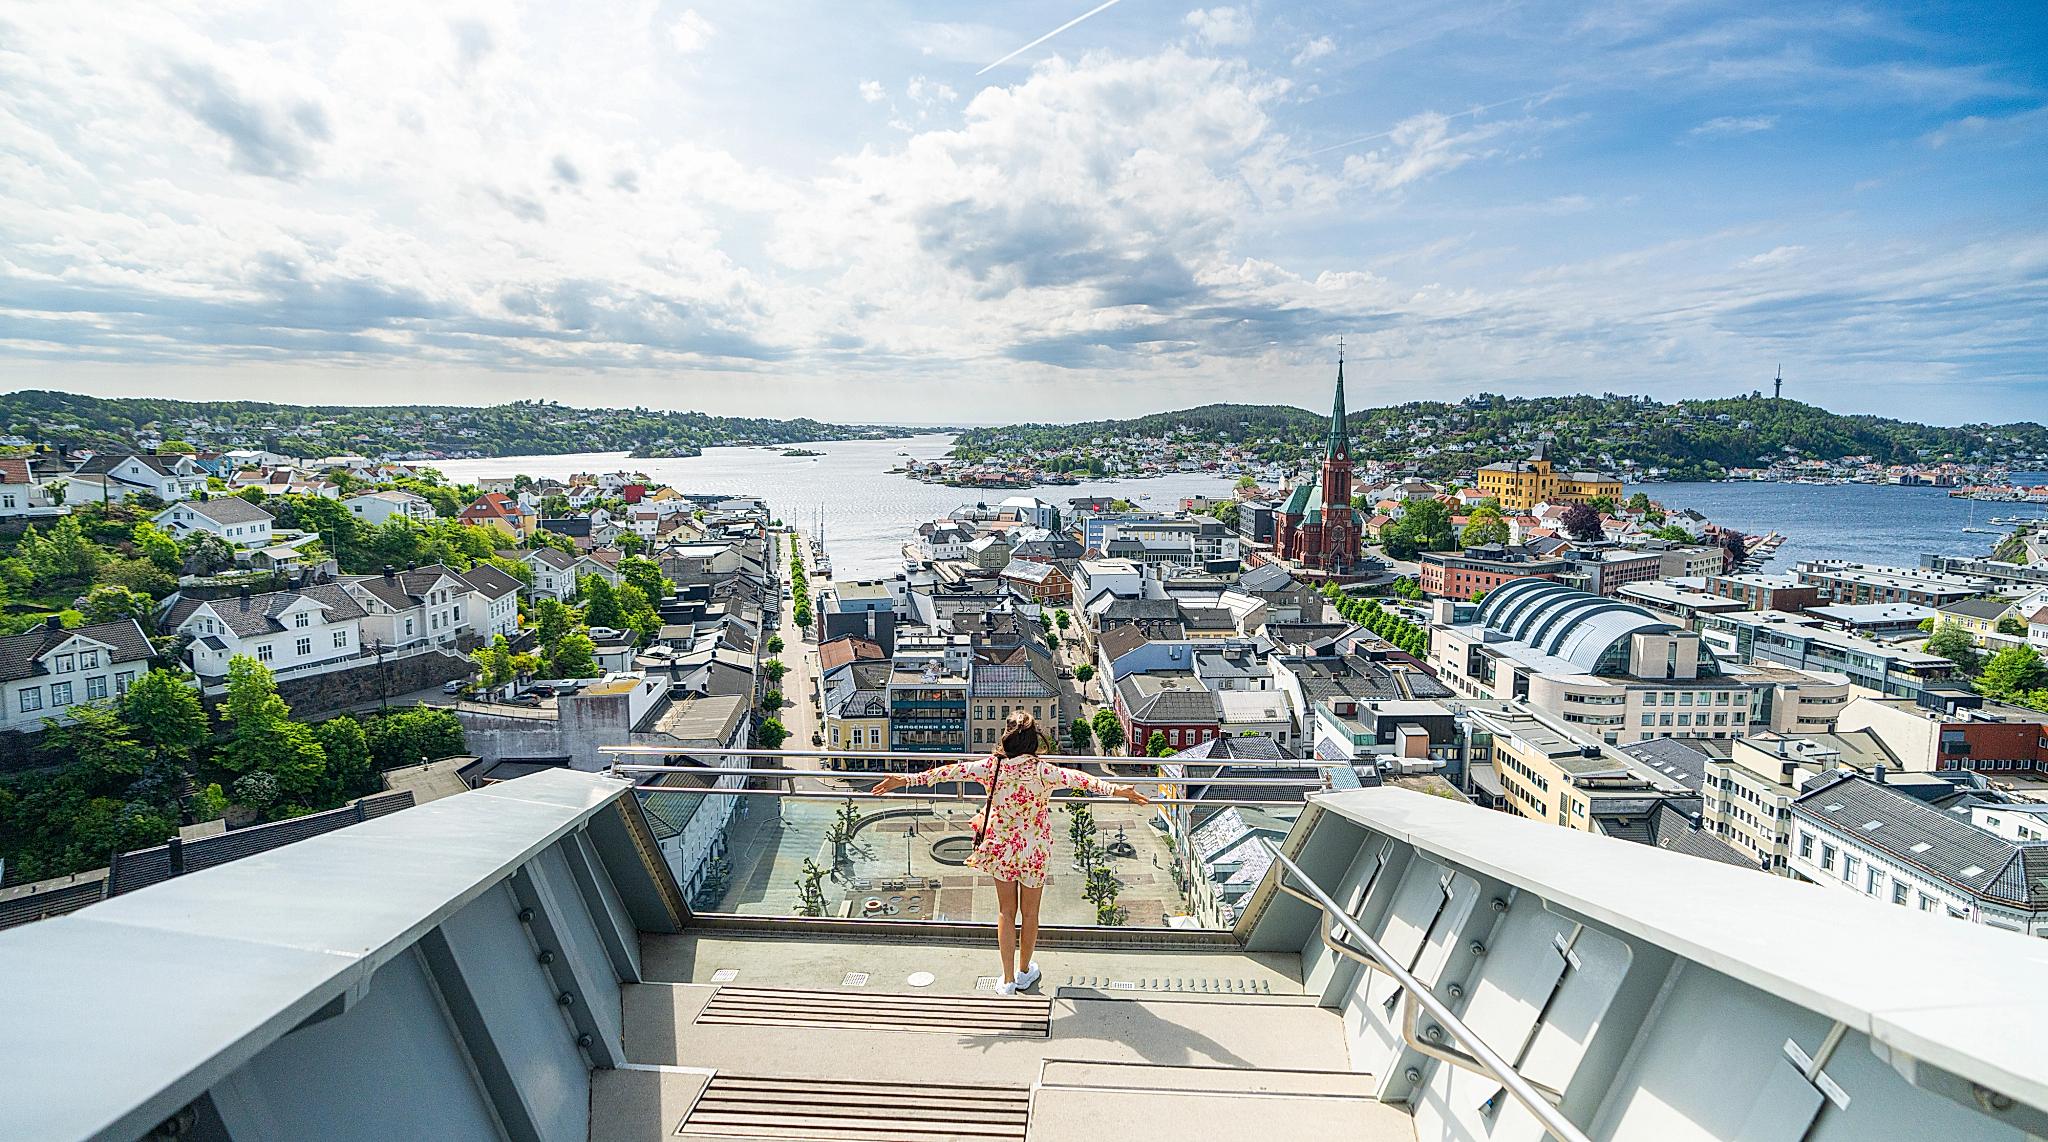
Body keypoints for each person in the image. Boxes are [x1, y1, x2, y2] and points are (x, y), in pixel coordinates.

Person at [870, 710, 1151, 995]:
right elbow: (1080, 779)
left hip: (1001, 848)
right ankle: (1025, 972)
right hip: (1034, 851)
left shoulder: (991, 767)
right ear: (1033, 741)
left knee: (1005, 912)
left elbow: (948, 771)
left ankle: (1006, 980)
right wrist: (1117, 789)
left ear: (1005, 738)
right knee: (1030, 915)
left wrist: (903, 780)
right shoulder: (1043, 771)